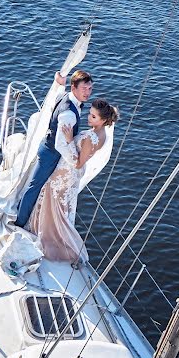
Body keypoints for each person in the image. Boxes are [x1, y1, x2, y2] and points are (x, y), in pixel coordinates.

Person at [26, 99, 119, 262]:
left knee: (53, 201)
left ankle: (53, 240)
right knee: (57, 205)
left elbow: (78, 163)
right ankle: (47, 233)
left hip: (67, 172)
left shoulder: (92, 137)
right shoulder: (100, 133)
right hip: (69, 172)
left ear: (103, 120)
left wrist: (69, 139)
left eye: (94, 117)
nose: (89, 118)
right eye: (90, 114)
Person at [15, 69, 94, 227]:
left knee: (37, 186)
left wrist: (59, 82)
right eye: (84, 89)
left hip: (48, 148)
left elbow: (58, 93)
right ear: (74, 88)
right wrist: (75, 161)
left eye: (90, 88)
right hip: (51, 154)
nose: (88, 92)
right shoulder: (68, 114)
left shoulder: (65, 96)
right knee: (35, 187)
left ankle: (24, 214)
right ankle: (19, 222)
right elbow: (60, 144)